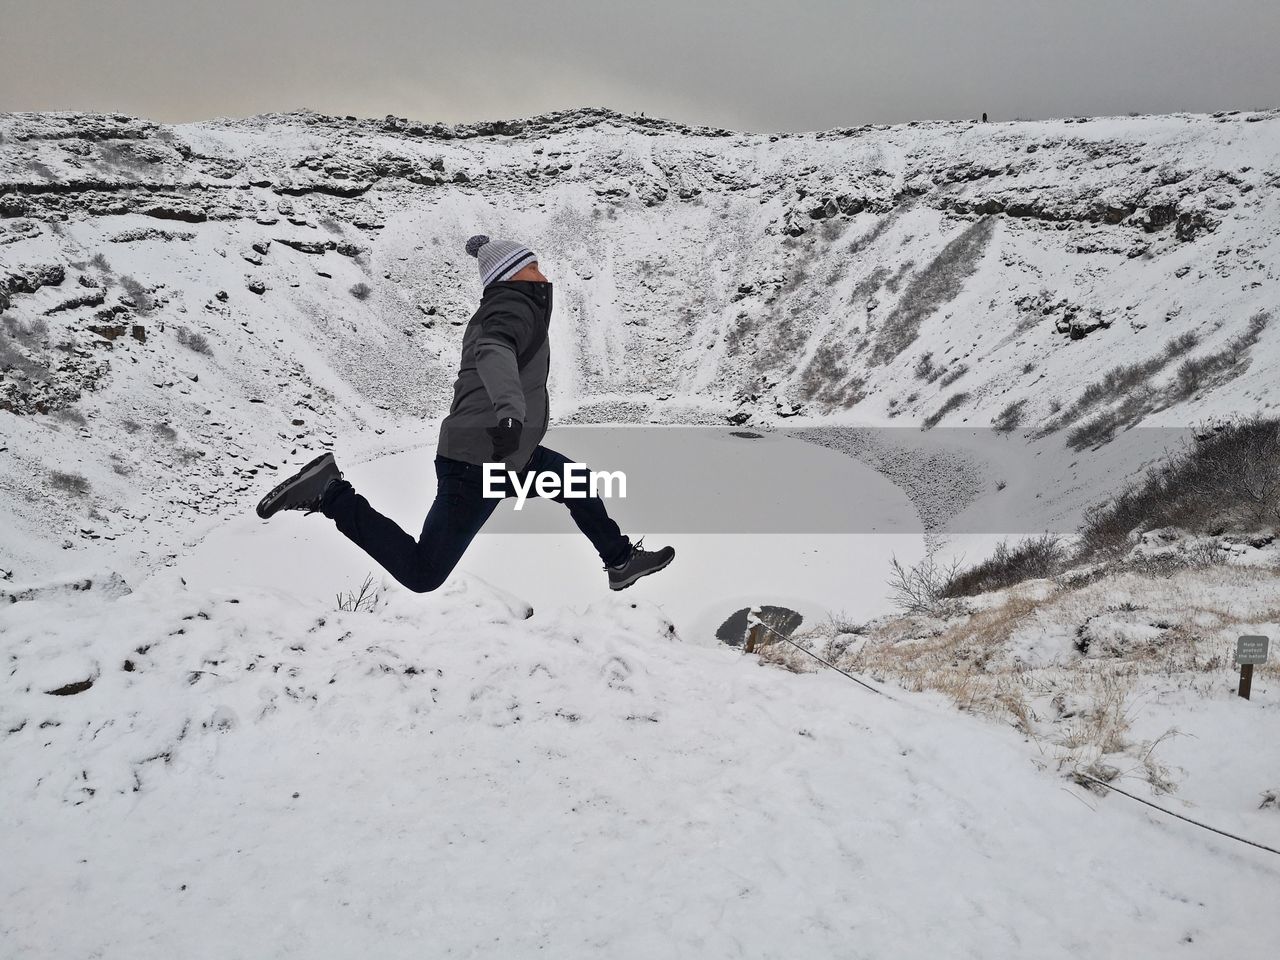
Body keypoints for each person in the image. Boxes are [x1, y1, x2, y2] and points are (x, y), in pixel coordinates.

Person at [256, 235, 675, 593]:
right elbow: (495, 351)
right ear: (515, 274)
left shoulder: (511, 303)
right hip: (478, 463)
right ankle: (330, 493)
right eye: (535, 266)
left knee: (577, 483)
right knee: (424, 573)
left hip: (509, 457)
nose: (544, 274)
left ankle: (619, 562)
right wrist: (511, 415)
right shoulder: (512, 307)